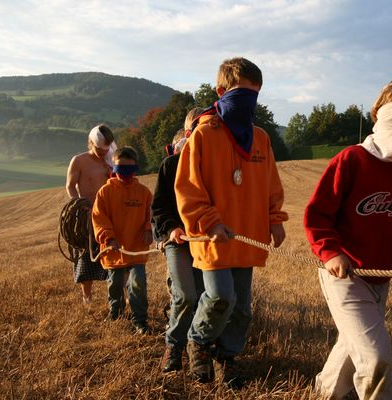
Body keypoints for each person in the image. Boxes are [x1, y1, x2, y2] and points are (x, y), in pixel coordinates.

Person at [304, 75, 392, 400]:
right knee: (375, 356)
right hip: (345, 276)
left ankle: (324, 394)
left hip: (381, 278)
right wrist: (330, 252)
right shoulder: (352, 160)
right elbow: (317, 214)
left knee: (353, 349)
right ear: (386, 115)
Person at [175, 57, 288, 387]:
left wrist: (275, 220)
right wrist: (209, 223)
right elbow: (189, 189)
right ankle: (198, 340)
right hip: (214, 239)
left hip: (247, 237)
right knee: (220, 296)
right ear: (221, 92)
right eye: (242, 95)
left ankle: (228, 357)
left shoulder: (261, 139)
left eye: (255, 96)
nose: (248, 104)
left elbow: (271, 184)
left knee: (241, 309)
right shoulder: (203, 135)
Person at [152, 107, 205, 373]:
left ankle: (198, 346)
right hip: (178, 240)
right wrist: (171, 229)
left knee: (202, 296)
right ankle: (173, 346)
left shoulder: (213, 165)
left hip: (203, 240)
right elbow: (159, 207)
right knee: (185, 295)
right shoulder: (169, 166)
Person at [92, 146, 153, 334]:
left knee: (137, 284)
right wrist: (109, 238)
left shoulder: (143, 193)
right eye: (120, 169)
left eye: (129, 169)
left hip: (136, 250)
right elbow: (99, 218)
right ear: (113, 169)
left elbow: (151, 216)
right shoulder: (104, 192)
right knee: (115, 284)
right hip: (113, 250)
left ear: (135, 169)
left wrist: (149, 230)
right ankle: (116, 314)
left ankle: (139, 321)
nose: (124, 174)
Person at [65, 124, 117, 304]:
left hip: (107, 215)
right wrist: (78, 204)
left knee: (112, 254)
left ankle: (117, 295)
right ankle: (87, 299)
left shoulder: (110, 160)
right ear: (91, 143)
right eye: (99, 149)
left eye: (106, 150)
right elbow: (70, 186)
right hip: (86, 216)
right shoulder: (79, 161)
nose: (103, 153)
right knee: (86, 257)